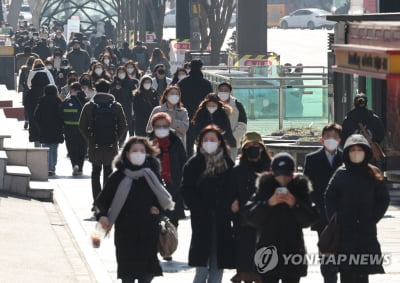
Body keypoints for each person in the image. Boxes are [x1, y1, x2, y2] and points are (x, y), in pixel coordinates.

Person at [94, 136, 175, 283]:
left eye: (142, 151)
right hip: (125, 235)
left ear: (147, 153)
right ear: (126, 153)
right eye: (134, 151)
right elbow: (101, 202)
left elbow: (164, 200)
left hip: (148, 233)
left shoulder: (152, 175)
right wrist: (103, 216)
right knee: (127, 277)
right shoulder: (117, 176)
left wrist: (157, 209)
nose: (138, 154)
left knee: (146, 276)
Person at [244, 152, 319, 283]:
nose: (283, 179)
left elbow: (311, 219)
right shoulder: (265, 187)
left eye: (287, 175)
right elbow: (250, 217)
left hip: (293, 251)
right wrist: (268, 203)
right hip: (268, 250)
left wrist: (294, 203)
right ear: (272, 171)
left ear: (293, 172)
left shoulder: (300, 188)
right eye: (279, 175)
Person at [325, 134, 390, 283]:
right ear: (347, 152)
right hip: (344, 230)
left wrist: (374, 216)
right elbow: (329, 196)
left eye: (359, 149)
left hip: (366, 230)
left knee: (363, 272)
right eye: (352, 149)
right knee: (346, 272)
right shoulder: (341, 173)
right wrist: (335, 218)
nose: (356, 152)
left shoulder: (373, 173)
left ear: (366, 152)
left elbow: (383, 198)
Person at [180, 125, 235, 283]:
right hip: (201, 219)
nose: (209, 143)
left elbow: (233, 189)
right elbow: (186, 189)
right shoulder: (193, 164)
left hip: (222, 219)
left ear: (219, 142)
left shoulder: (228, 164)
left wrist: (229, 207)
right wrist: (197, 207)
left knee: (218, 265)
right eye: (205, 140)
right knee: (201, 266)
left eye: (212, 140)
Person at [303, 122, 343, 283]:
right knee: (326, 249)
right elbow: (307, 186)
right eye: (328, 137)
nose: (331, 140)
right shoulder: (312, 159)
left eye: (334, 137)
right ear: (322, 139)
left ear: (340, 140)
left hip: (343, 213)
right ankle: (329, 279)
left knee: (343, 250)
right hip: (322, 214)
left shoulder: (346, 158)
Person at [230, 132, 271, 283]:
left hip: (266, 221)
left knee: (264, 262)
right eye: (249, 146)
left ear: (262, 148)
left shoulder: (271, 169)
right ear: (243, 148)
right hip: (244, 220)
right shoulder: (237, 170)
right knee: (244, 260)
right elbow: (231, 192)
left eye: (256, 145)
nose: (253, 148)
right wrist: (233, 201)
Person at [79, 79, 127, 202]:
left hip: (95, 144)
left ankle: (96, 200)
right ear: (109, 89)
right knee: (109, 172)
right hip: (111, 145)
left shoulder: (89, 106)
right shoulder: (116, 106)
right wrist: (115, 138)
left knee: (95, 172)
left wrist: (90, 138)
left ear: (95, 89)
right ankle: (106, 200)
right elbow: (123, 125)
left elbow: (82, 126)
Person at [149, 112, 186, 234]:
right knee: (154, 220)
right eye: (158, 126)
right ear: (153, 127)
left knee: (173, 221)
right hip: (154, 187)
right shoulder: (148, 142)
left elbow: (183, 162)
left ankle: (169, 247)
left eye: (165, 126)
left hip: (174, 186)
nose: (161, 129)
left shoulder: (176, 141)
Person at [178, 59, 213, 157]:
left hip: (186, 114)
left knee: (188, 143)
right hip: (203, 115)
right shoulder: (206, 83)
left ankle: (189, 160)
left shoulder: (183, 82)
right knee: (202, 140)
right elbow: (210, 99)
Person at [33, 84, 64, 176]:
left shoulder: (42, 101)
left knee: (46, 148)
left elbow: (36, 116)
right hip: (56, 129)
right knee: (54, 149)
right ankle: (52, 167)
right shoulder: (59, 101)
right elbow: (62, 116)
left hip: (45, 129)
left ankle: (47, 167)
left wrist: (40, 126)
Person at [61, 82, 89, 176]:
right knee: (82, 148)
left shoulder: (67, 101)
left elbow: (61, 115)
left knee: (72, 148)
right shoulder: (85, 100)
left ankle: (75, 165)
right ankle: (80, 168)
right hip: (83, 129)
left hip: (69, 129)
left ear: (72, 90)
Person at [26, 59, 54, 145]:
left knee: (35, 126)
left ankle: (37, 146)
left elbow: (28, 84)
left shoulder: (31, 72)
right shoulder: (47, 72)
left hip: (34, 111)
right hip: (47, 115)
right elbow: (52, 83)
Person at [217, 82, 247, 160]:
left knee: (230, 165)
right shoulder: (214, 104)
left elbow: (242, 123)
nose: (223, 92)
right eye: (221, 90)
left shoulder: (237, 104)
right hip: (216, 141)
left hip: (232, 142)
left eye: (225, 90)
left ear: (230, 92)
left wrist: (234, 136)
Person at [111, 66, 139, 142]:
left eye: (123, 72)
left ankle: (131, 137)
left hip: (128, 105)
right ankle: (120, 140)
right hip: (117, 105)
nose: (121, 74)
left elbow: (134, 93)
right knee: (119, 122)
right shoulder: (114, 82)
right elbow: (111, 93)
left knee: (129, 121)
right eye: (119, 72)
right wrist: (115, 89)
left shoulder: (130, 82)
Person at [18, 56, 35, 130]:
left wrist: (21, 88)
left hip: (26, 90)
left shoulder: (24, 69)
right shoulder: (35, 70)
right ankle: (32, 120)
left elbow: (21, 80)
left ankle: (26, 120)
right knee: (34, 105)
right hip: (34, 89)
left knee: (26, 106)